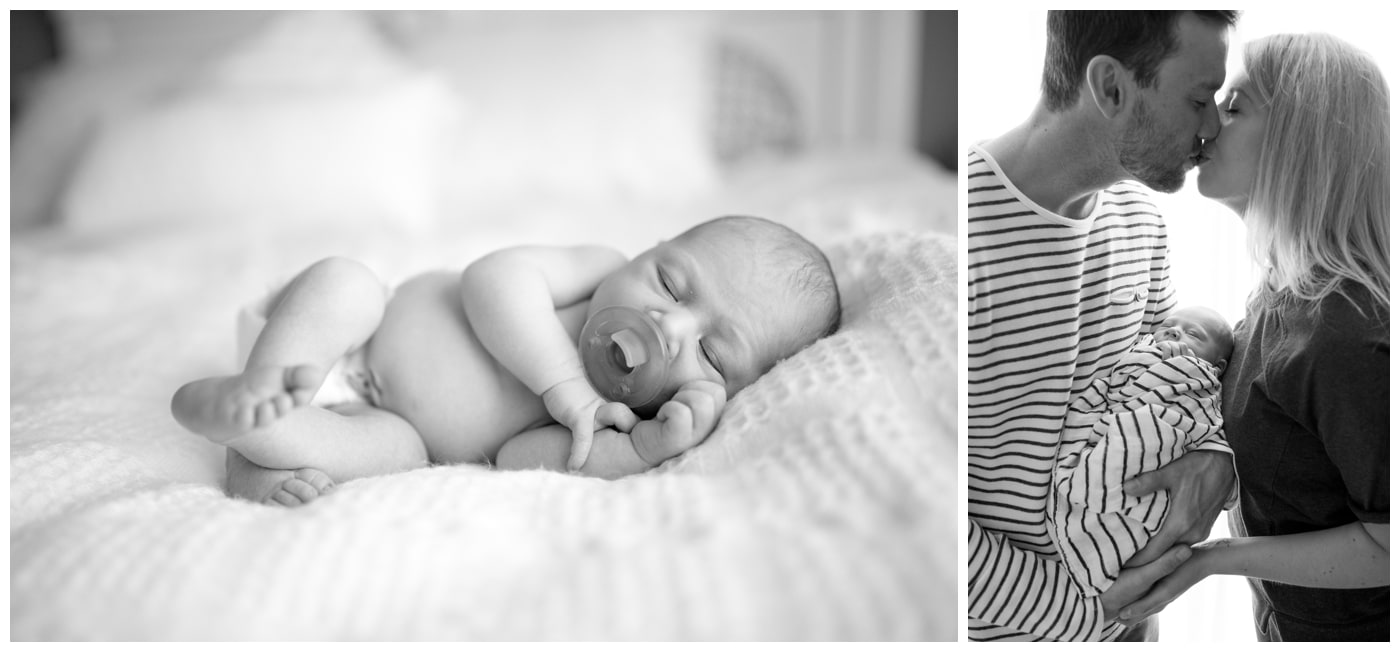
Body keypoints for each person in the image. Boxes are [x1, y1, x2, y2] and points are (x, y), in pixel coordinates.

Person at [171, 215, 841, 505]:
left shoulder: (625, 415)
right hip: (346, 336)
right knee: (345, 282)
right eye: (670, 282)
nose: (671, 325)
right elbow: (492, 278)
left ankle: (264, 437)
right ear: (649, 249)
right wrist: (562, 385)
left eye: (713, 352)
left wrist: (643, 450)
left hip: (374, 418)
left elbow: (516, 460)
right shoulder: (597, 270)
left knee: (400, 456)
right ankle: (265, 386)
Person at [966, 11, 1240, 641]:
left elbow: (1172, 392)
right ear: (1111, 88)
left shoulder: (1143, 221)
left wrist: (1217, 461)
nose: (1214, 125)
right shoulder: (964, 240)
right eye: (1199, 99)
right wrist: (1094, 615)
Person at [1113, 32, 1389, 641]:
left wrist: (1212, 561)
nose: (1207, 124)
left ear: (1301, 140)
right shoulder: (1281, 295)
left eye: (1234, 106)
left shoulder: (1346, 333)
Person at [1049, 306, 1235, 598]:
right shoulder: (1141, 353)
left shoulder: (1203, 380)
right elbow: (1107, 391)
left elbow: (1207, 425)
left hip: (1156, 446)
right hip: (1111, 435)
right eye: (1169, 326)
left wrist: (1218, 467)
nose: (1175, 332)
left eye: (1194, 334)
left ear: (1219, 366)